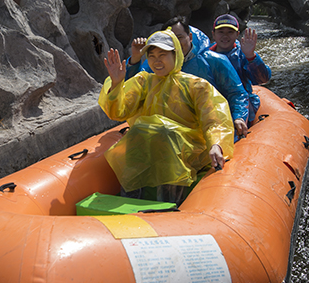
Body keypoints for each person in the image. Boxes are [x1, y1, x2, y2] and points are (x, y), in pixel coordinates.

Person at [99, 29, 235, 204]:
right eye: (152, 56)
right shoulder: (144, 82)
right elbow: (118, 112)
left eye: (162, 55)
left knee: (166, 134)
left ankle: (170, 203)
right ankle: (130, 198)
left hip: (188, 149)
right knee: (137, 132)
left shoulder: (197, 86)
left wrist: (216, 143)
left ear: (175, 55)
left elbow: (214, 119)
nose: (157, 61)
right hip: (153, 145)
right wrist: (117, 84)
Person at [125, 17, 251, 139]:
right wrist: (135, 60)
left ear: (190, 37)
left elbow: (236, 93)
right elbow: (134, 90)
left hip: (209, 122)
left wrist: (239, 117)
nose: (175, 44)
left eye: (179, 38)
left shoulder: (215, 61)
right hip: (170, 125)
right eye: (170, 39)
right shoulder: (156, 64)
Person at [210, 14, 271, 124]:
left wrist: (250, 56)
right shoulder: (205, 56)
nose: (225, 36)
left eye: (230, 32)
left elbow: (262, 79)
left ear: (237, 34)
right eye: (221, 32)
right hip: (214, 104)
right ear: (213, 34)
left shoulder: (243, 53)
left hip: (242, 105)